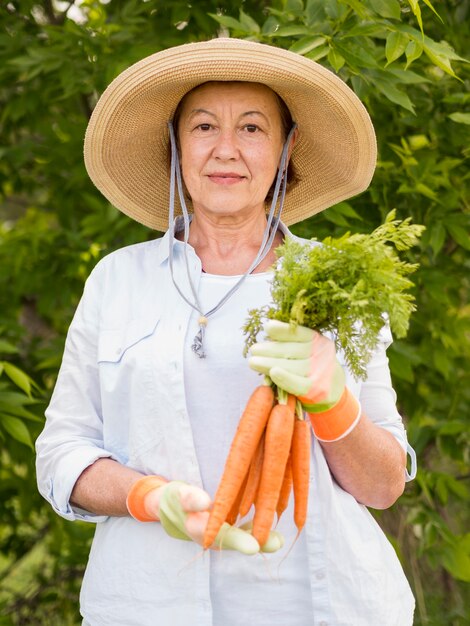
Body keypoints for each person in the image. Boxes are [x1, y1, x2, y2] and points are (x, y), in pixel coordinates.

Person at [35, 38, 417, 626]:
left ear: (287, 149)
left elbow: (384, 484)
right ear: (175, 146)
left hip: (323, 606)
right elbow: (62, 453)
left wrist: (335, 404)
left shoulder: (336, 285)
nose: (226, 150)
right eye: (204, 126)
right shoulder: (118, 281)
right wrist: (145, 497)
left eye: (254, 128)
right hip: (148, 606)